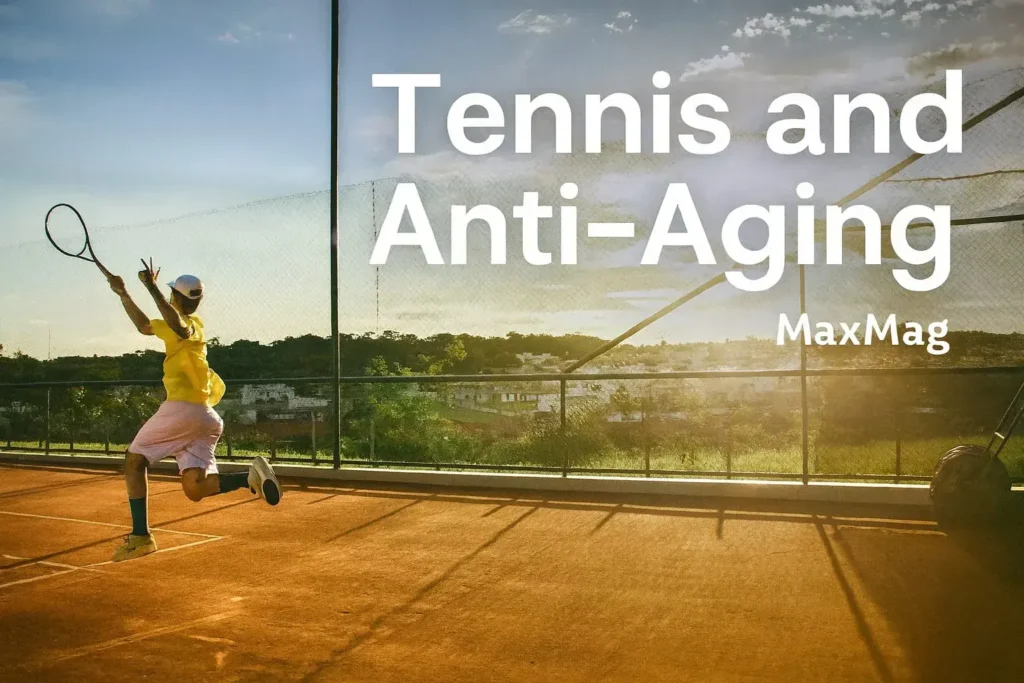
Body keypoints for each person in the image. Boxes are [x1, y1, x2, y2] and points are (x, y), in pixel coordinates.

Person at [107, 259, 282, 562]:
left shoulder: (188, 326)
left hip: (183, 409)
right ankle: (249, 477)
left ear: (175, 297)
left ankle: (140, 536)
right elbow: (144, 325)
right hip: (205, 417)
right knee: (194, 489)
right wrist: (124, 294)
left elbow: (177, 324)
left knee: (134, 461)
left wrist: (150, 288)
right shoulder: (191, 324)